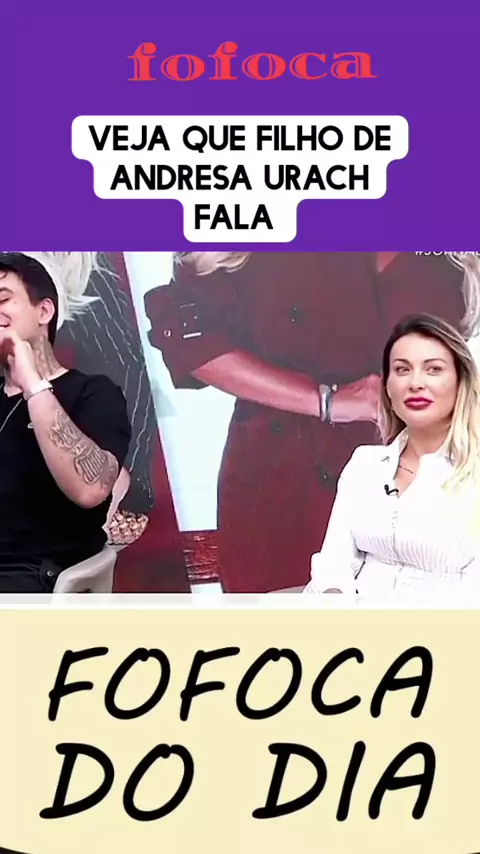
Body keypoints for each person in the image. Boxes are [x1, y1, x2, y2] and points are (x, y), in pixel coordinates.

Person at [145, 251, 479, 593]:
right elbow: (189, 335)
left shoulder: (449, 246)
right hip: (282, 486)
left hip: (430, 493)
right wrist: (327, 401)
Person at [304, 313, 480, 600]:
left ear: (461, 381)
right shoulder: (364, 465)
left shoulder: (473, 472)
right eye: (402, 369)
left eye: (434, 369)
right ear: (387, 387)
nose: (415, 383)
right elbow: (334, 564)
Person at [0, 252, 131, 593]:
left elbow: (91, 490)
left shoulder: (93, 393)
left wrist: (31, 382)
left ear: (44, 311)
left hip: (31, 575)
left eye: (2, 300)